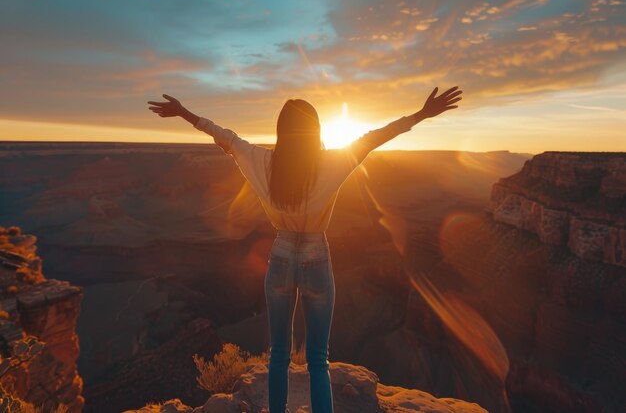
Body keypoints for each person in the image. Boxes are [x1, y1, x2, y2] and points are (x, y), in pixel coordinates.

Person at [147, 86, 462, 413]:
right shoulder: (331, 163)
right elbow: (373, 138)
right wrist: (421, 115)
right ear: (316, 131)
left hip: (281, 256)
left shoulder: (264, 161)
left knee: (279, 355)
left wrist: (185, 113)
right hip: (316, 257)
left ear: (282, 130)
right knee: (317, 360)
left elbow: (226, 137)